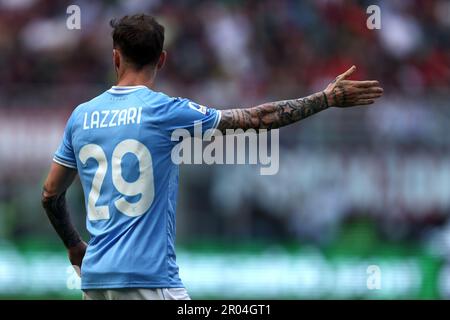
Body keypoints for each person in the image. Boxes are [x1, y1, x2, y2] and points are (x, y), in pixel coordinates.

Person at [41, 14, 383, 300]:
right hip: (146, 277)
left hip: (97, 280)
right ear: (161, 59)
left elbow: (50, 195)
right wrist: (325, 99)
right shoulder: (163, 111)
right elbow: (258, 118)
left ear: (115, 57)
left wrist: (74, 246)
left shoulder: (82, 116)